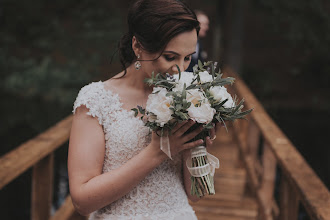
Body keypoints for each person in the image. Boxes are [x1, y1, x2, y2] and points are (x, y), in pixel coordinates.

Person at [68, 0, 217, 219]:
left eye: (187, 58)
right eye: (170, 57)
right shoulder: (96, 100)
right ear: (137, 46)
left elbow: (196, 195)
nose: (180, 70)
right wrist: (157, 152)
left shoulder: (187, 96)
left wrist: (196, 147)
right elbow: (82, 201)